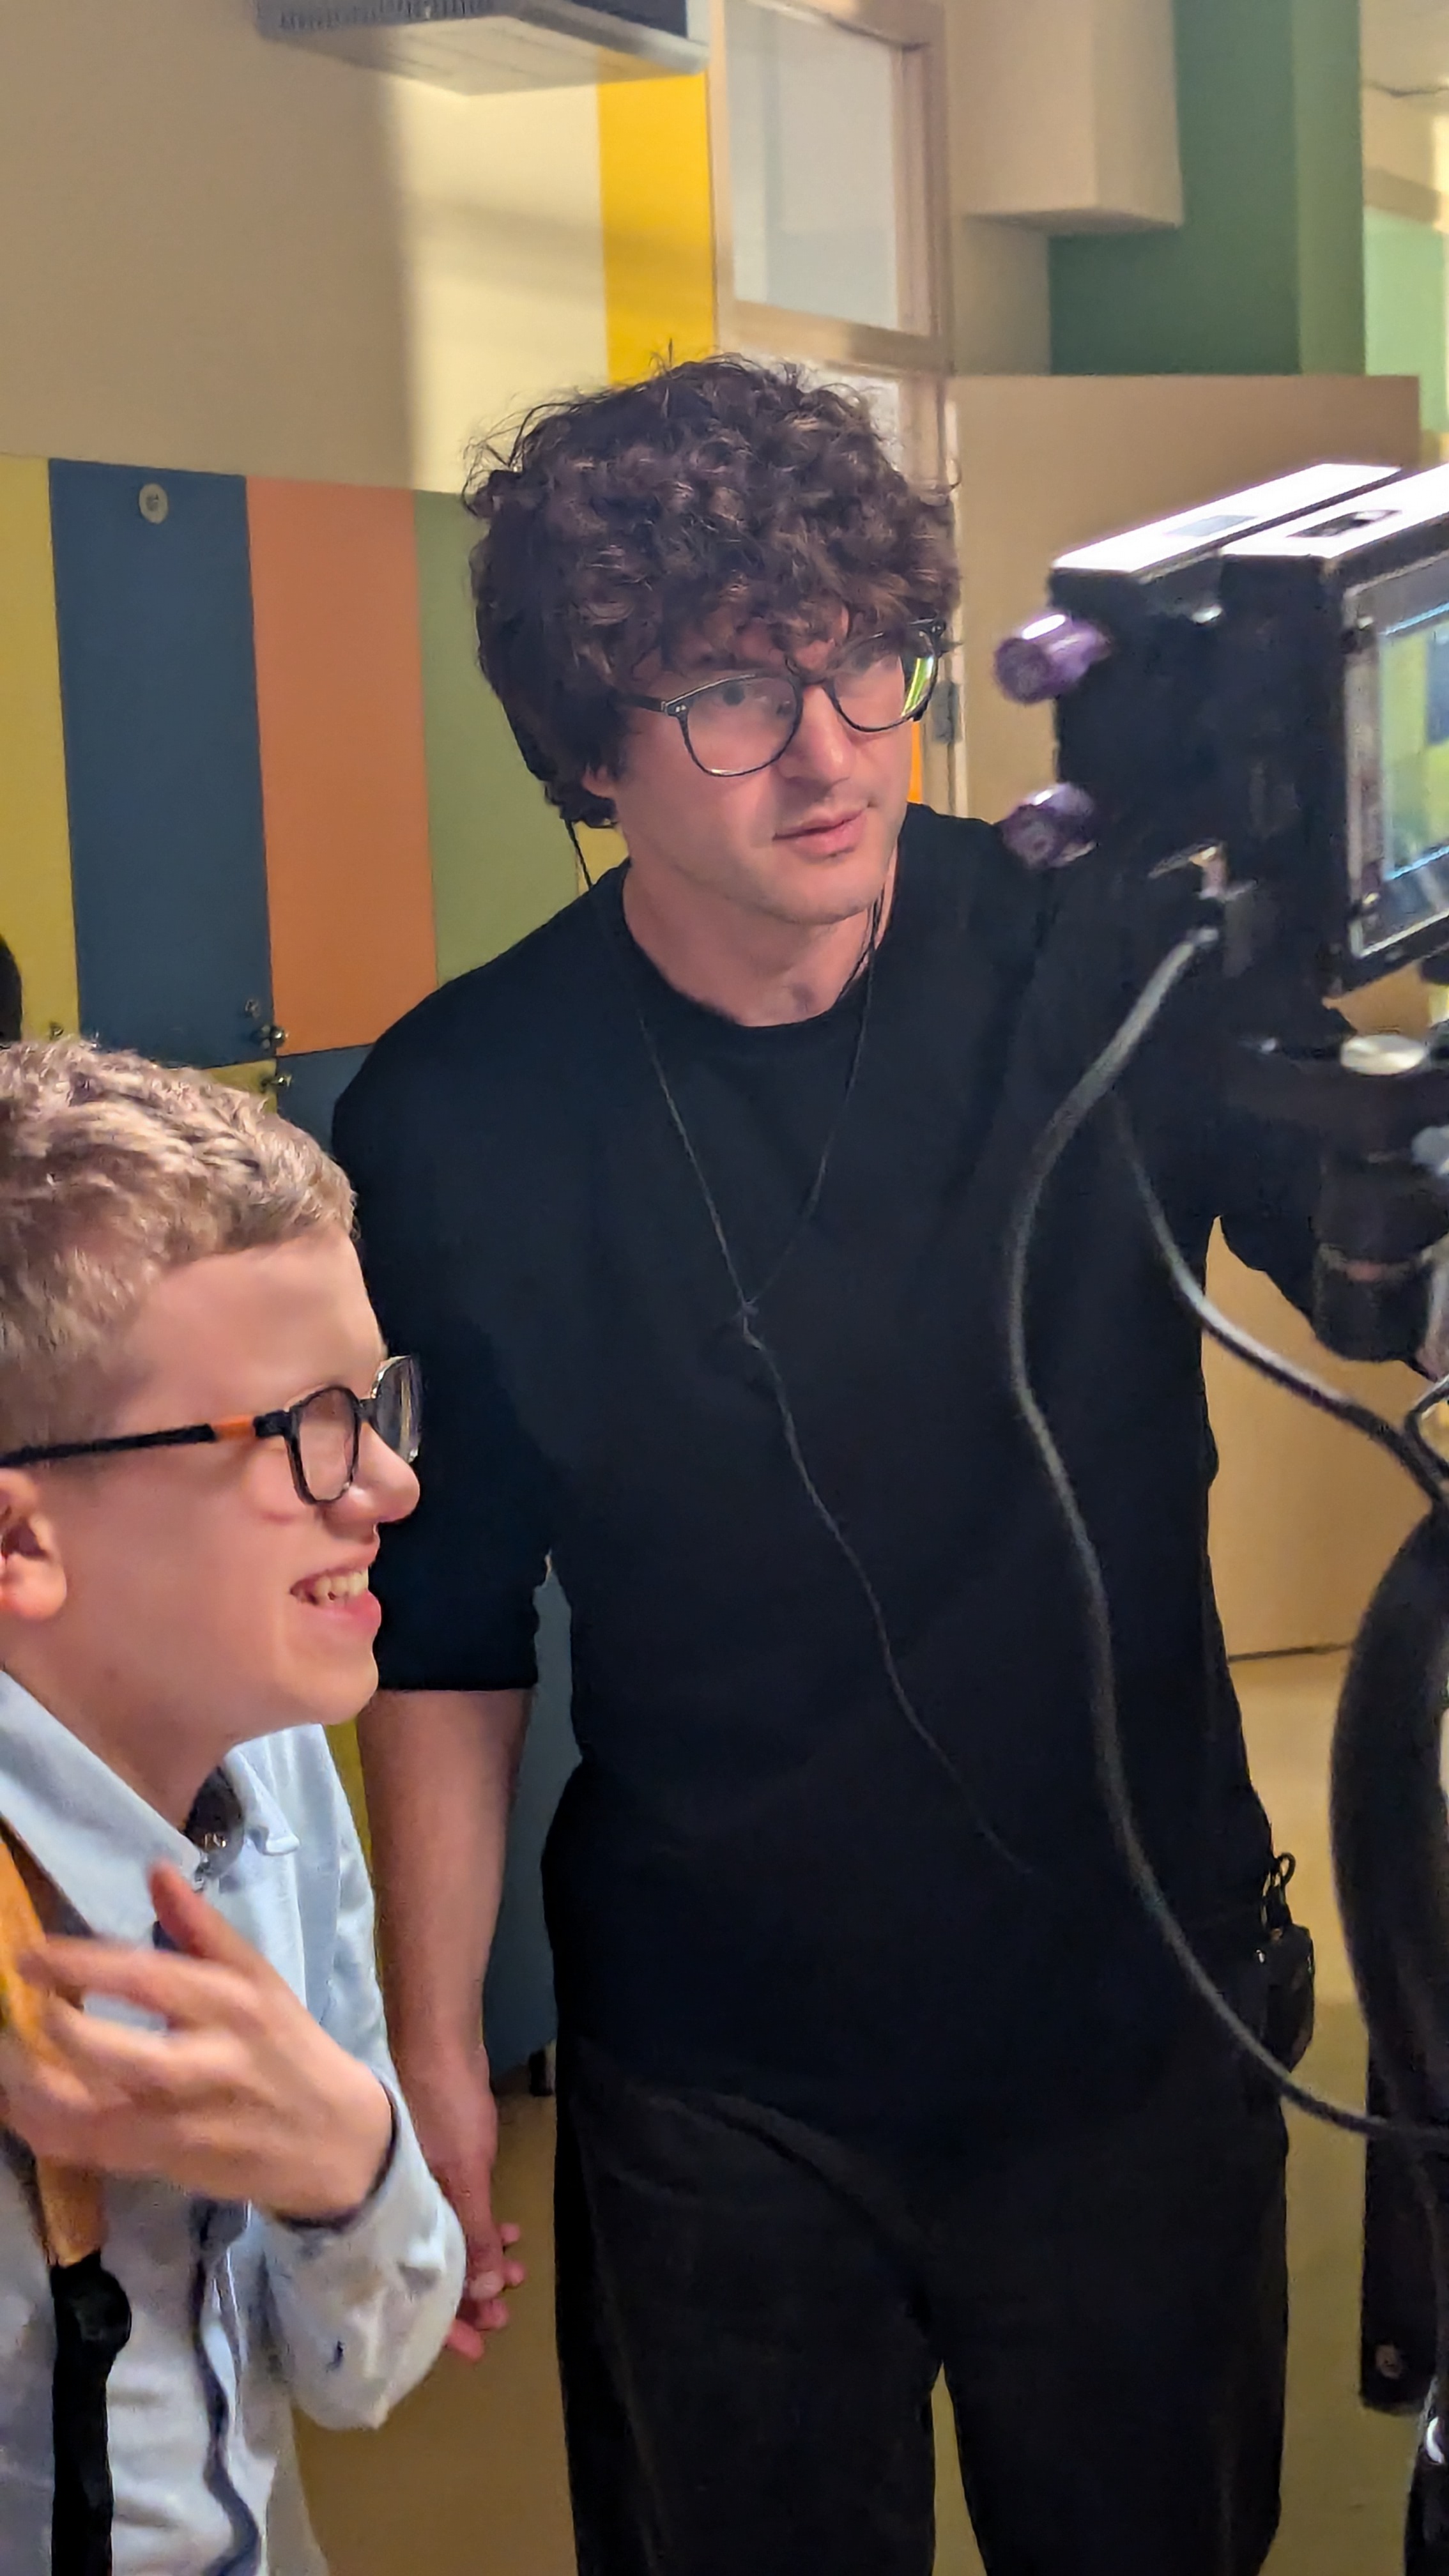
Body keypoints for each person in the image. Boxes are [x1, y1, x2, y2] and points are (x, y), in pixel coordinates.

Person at [334, 356, 1359, 2576]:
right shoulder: (457, 1117)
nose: (828, 752)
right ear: (585, 747)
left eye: (865, 664)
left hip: (1133, 2012)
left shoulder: (1101, 952)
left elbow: (1378, 1267)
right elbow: (445, 1625)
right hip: (719, 2080)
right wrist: (435, 2043)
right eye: (732, 691)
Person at [0, 1038, 465, 2573]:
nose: (388, 1484)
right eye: (303, 1428)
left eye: (378, 1404)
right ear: (20, 1542)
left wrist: (349, 2164)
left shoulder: (271, 1763)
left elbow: (356, 2371)